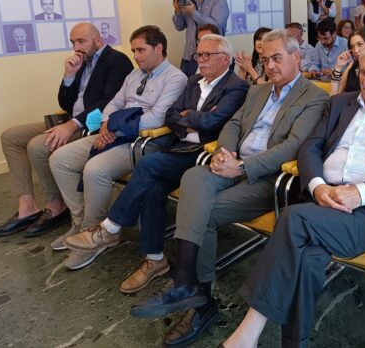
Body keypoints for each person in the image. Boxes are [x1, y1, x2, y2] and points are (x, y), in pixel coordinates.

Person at [223, 40, 365, 348]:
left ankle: (248, 331)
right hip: (321, 201)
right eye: (363, 72)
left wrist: (362, 192)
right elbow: (310, 147)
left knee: (293, 218)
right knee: (307, 259)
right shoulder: (340, 104)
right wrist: (318, 186)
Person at [126, 30, 328, 347]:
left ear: (296, 57)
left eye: (277, 58)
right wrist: (225, 153)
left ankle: (198, 298)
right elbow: (233, 124)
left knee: (202, 214)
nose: (270, 66)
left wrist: (243, 167)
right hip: (232, 164)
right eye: (266, 59)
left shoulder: (314, 97)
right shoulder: (258, 90)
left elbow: (294, 146)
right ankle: (189, 287)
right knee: (193, 177)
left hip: (266, 178)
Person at [62, 35, 248, 279]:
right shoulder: (194, 81)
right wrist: (190, 119)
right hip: (179, 147)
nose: (200, 60)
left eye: (207, 55)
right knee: (152, 189)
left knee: (148, 163)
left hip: (204, 155)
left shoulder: (236, 86)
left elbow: (214, 122)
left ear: (225, 59)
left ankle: (110, 226)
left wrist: (188, 115)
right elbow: (170, 115)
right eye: (198, 55)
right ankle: (155, 258)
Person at [49, 26, 187, 269]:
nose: (136, 56)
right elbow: (113, 104)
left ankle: (96, 234)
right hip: (112, 132)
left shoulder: (175, 78)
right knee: (60, 159)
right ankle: (80, 223)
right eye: (133, 51)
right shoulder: (134, 74)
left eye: (141, 50)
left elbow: (157, 118)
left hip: (143, 141)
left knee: (95, 170)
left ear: (158, 48)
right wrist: (105, 123)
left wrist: (115, 128)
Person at [0, 22, 132, 238]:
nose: (76, 47)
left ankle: (56, 205)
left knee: (38, 146)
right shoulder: (81, 62)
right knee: (10, 137)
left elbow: (109, 103)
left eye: (81, 41)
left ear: (98, 40)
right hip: (69, 119)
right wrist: (68, 76)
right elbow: (65, 103)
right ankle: (27, 207)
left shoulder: (116, 60)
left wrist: (73, 125)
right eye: (73, 42)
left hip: (91, 125)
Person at [172, 0, 230, 76]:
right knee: (186, 87)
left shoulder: (219, 0)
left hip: (210, 58)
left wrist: (193, 12)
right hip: (188, 58)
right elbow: (179, 27)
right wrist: (177, 11)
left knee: (207, 87)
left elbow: (216, 28)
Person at [330, 27, 365, 95]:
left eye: (360, 44)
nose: (356, 50)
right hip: (346, 101)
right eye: (352, 46)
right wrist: (338, 67)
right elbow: (335, 95)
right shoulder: (353, 64)